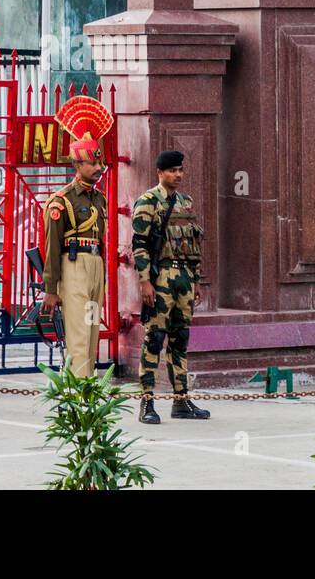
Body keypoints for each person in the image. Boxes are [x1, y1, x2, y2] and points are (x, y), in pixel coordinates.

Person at [132, 149, 210, 423]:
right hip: (161, 278)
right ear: (160, 173)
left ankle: (181, 401)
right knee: (154, 339)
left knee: (180, 340)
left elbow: (194, 246)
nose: (178, 175)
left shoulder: (186, 203)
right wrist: (145, 281)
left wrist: (197, 280)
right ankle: (147, 403)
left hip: (184, 280)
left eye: (180, 170)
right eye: (172, 171)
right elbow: (139, 246)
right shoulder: (147, 202)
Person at [40, 96, 113, 378]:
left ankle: (89, 384)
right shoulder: (62, 201)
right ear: (77, 165)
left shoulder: (99, 199)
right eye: (93, 164)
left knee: (92, 328)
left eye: (99, 162)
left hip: (95, 269)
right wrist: (51, 288)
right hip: (74, 268)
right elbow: (52, 246)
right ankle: (79, 392)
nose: (98, 168)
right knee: (79, 333)